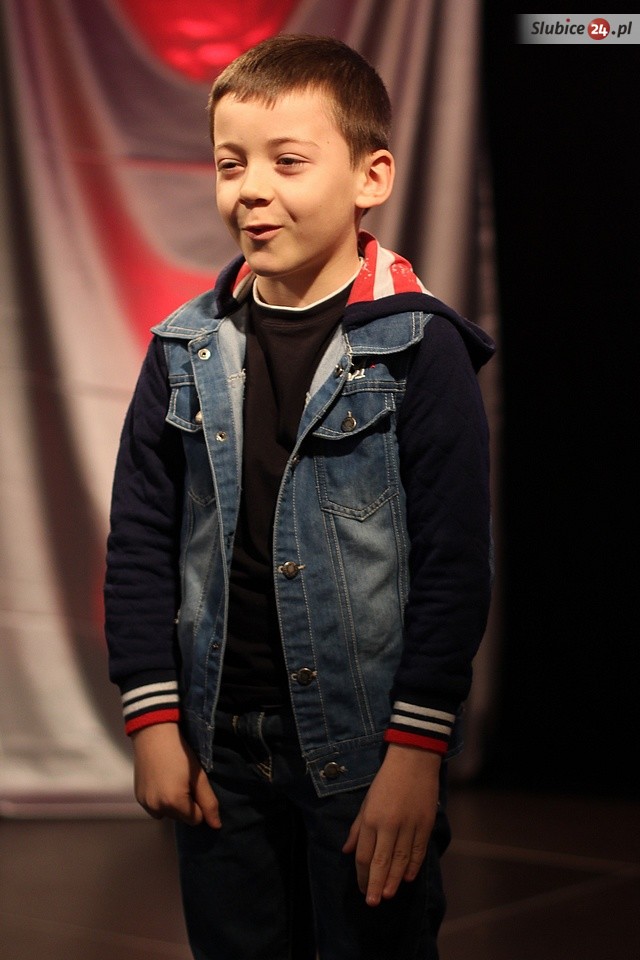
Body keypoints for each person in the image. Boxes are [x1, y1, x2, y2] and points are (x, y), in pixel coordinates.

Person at [104, 33, 494, 960]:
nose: (251, 188)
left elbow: (453, 566)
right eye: (230, 163)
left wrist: (415, 754)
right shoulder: (183, 349)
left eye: (287, 161)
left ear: (371, 176)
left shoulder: (419, 348)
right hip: (220, 744)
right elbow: (141, 538)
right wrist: (152, 720)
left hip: (363, 749)